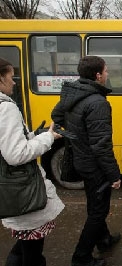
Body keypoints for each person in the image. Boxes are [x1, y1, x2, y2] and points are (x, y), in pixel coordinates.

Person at [51, 56, 122, 266]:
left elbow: (56, 115)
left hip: (81, 160)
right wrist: (114, 175)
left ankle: (104, 239)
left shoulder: (73, 93)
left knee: (95, 204)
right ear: (98, 75)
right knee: (98, 211)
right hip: (94, 166)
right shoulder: (98, 102)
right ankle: (81, 257)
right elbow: (101, 145)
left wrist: (76, 135)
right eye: (106, 71)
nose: (107, 74)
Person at [0, 57, 64, 266]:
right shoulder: (6, 108)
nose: (14, 82)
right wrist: (47, 138)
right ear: (0, 79)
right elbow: (15, 155)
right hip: (21, 191)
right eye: (11, 77)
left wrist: (31, 136)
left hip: (8, 189)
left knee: (24, 247)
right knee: (32, 253)